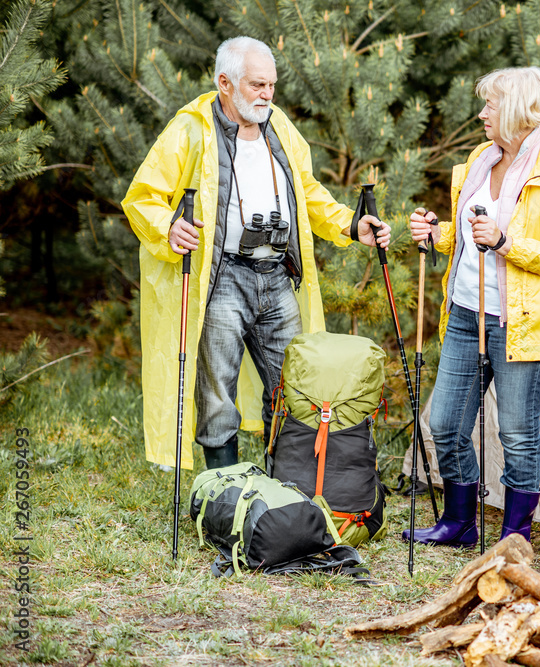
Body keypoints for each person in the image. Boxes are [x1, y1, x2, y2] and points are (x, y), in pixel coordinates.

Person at [122, 36, 390, 470]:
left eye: (272, 86)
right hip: (223, 276)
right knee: (217, 392)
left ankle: (286, 483)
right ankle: (225, 491)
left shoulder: (278, 125)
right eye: (257, 85)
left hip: (277, 275)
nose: (268, 95)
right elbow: (143, 196)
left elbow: (306, 192)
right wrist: (168, 227)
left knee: (293, 386)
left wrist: (348, 223)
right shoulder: (191, 129)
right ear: (225, 83)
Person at [403, 66, 540, 545]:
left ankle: (514, 538)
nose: (482, 113)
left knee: (517, 433)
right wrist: (435, 232)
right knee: (444, 422)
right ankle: (460, 523)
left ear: (521, 111)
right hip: (465, 313)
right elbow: (467, 241)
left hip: (520, 323)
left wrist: (506, 241)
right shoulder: (481, 160)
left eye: (491, 105)